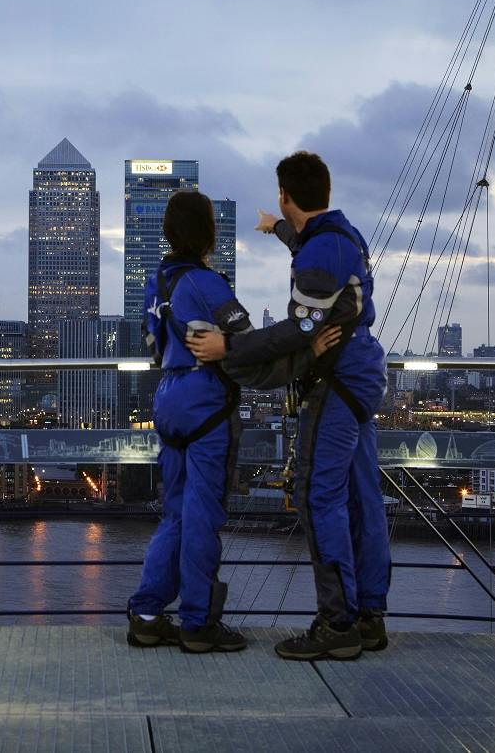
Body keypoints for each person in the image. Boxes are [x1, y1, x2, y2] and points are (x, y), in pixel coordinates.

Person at [186, 150, 391, 662]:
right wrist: (277, 227)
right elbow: (309, 250)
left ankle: (336, 623)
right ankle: (368, 616)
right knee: (362, 497)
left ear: (284, 192)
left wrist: (227, 349)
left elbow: (301, 326)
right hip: (360, 374)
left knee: (317, 494)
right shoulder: (341, 234)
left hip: (338, 378)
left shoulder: (321, 254)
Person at [126, 189, 340, 654]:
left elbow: (158, 344)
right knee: (203, 514)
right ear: (208, 233)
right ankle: (198, 623)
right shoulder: (206, 285)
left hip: (167, 400)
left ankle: (146, 613)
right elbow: (247, 347)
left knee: (177, 512)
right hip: (206, 403)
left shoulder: (158, 282)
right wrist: (306, 355)